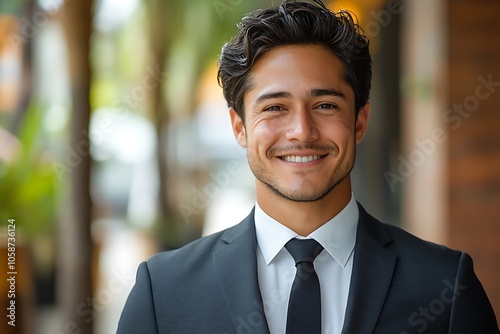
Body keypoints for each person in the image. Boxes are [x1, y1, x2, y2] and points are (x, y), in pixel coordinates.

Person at [117, 1, 499, 333]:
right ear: (240, 128)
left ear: (360, 121)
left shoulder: (447, 286)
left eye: (326, 105)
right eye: (275, 108)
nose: (302, 131)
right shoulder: (163, 291)